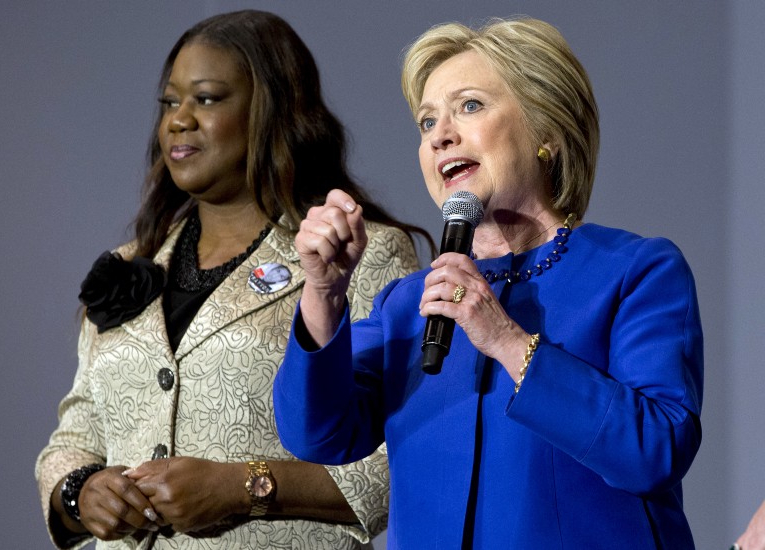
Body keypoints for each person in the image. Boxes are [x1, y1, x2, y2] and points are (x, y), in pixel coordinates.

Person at [273, 16, 703, 549]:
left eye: (470, 106)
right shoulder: (407, 305)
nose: (440, 136)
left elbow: (657, 449)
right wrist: (323, 293)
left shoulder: (636, 271)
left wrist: (507, 341)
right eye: (427, 123)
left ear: (546, 130)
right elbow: (317, 433)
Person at [35, 10, 430, 550]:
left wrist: (243, 488)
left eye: (207, 98)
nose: (179, 119)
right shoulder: (129, 263)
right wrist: (81, 493)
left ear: (272, 111)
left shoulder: (359, 254)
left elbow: (412, 454)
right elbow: (76, 433)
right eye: (170, 103)